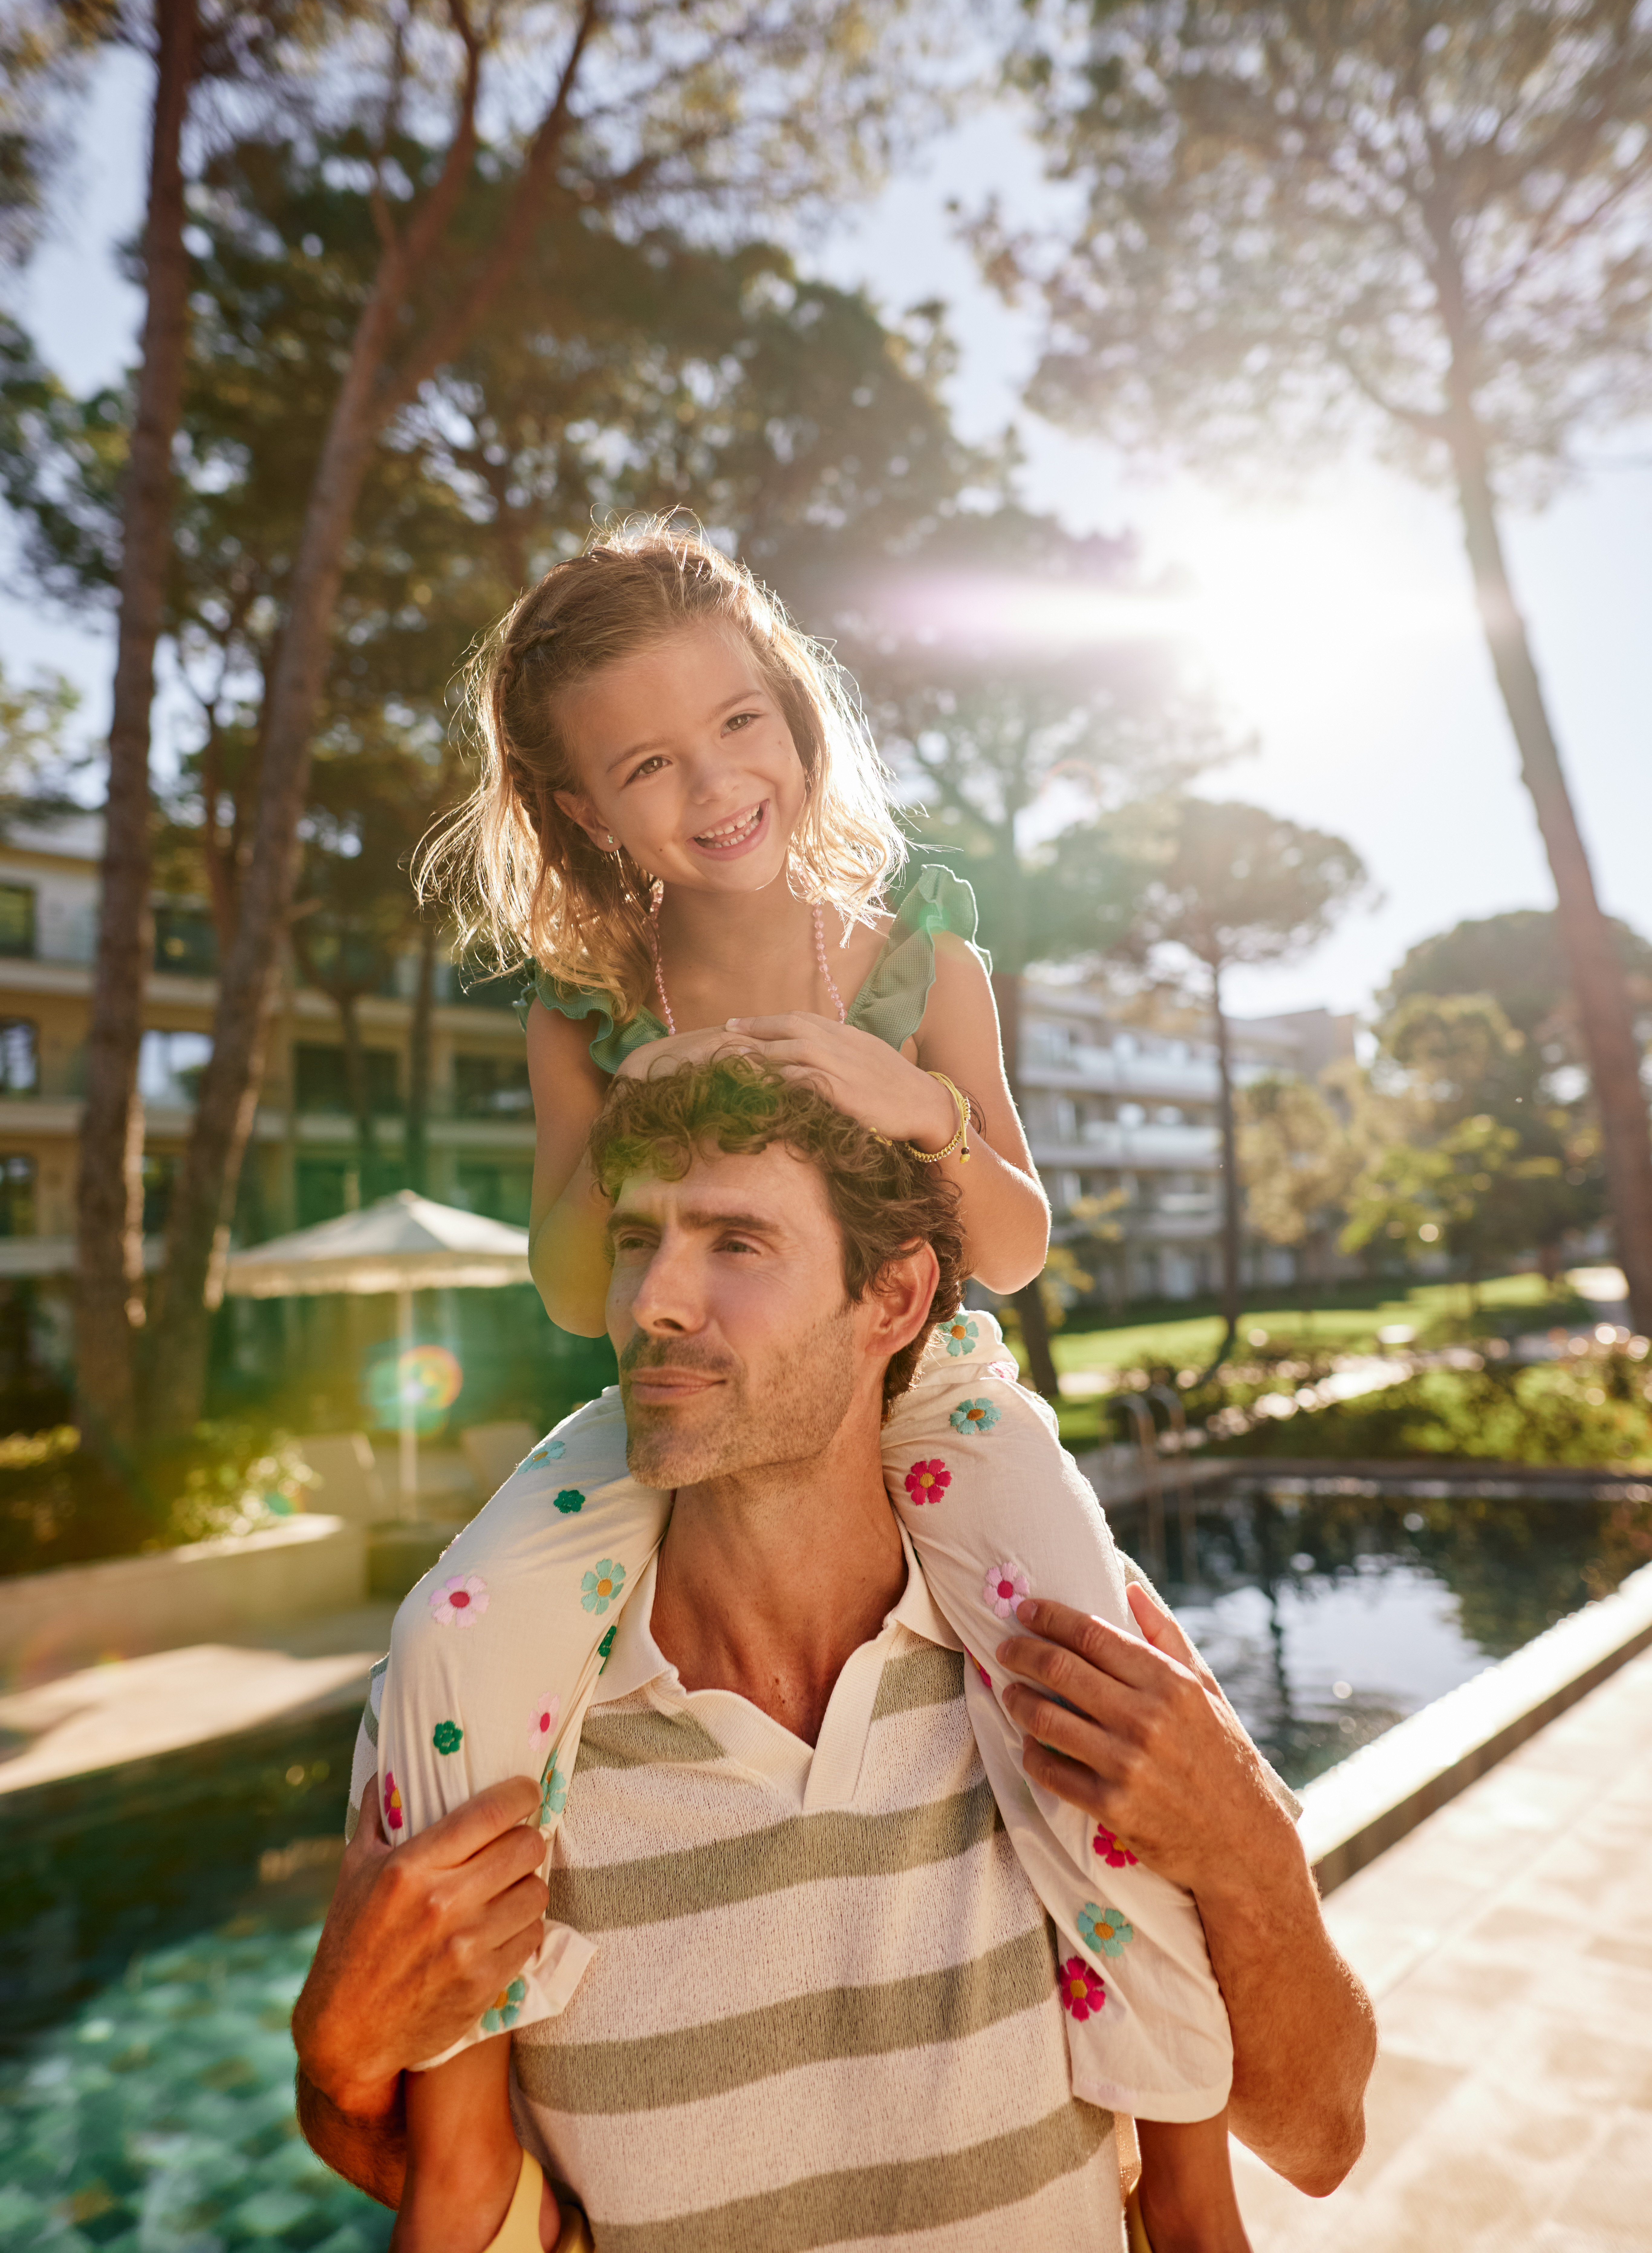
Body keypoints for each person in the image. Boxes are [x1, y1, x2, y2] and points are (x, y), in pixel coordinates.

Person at [372, 526, 1243, 2230]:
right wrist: (645, 1112)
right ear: (577, 812)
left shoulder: (916, 949)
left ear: (791, 711)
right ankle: (466, 2113)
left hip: (927, 1387)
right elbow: (573, 1284)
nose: (715, 786)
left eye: (740, 724)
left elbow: (1011, 1240)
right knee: (453, 1633)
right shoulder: (585, 1001)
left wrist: (907, 1101)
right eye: (646, 765)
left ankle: (1182, 2145)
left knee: (1086, 1674)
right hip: (683, 1397)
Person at [299, 1057, 1377, 2250]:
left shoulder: (1067, 1682)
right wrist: (340, 2065)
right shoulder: (502, 1708)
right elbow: (473, 2197)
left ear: (894, 1300)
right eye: (634, 1239)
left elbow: (1319, 2139)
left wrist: (1248, 1848)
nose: (653, 1298)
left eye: (737, 1243)